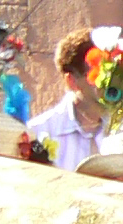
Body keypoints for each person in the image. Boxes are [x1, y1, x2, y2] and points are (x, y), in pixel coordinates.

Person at [26, 33, 106, 172]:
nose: (107, 81)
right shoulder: (39, 132)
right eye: (97, 74)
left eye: (109, 71)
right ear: (72, 81)